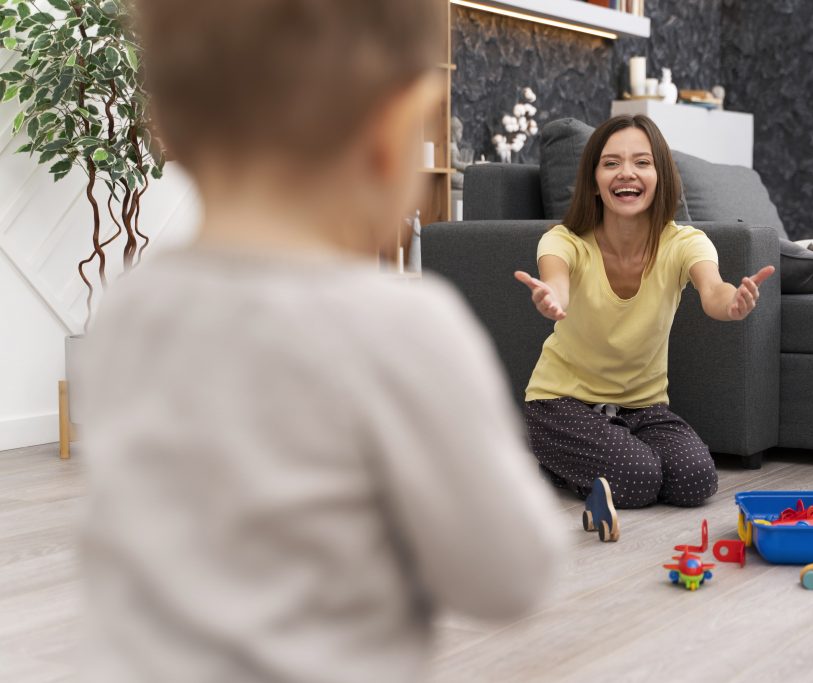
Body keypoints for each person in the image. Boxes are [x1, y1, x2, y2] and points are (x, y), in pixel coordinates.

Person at [79, 2, 562, 681]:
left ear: (164, 126)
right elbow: (509, 574)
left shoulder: (129, 310)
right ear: (396, 128)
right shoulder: (403, 329)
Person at [515, 114, 774, 511]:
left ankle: (610, 453)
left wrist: (734, 304)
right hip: (560, 403)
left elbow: (714, 291)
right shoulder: (564, 241)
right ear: (594, 181)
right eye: (611, 163)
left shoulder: (686, 243)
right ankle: (556, 463)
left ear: (660, 176)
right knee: (638, 480)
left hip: (643, 407)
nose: (627, 173)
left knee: (695, 481)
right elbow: (558, 285)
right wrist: (551, 298)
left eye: (641, 162)